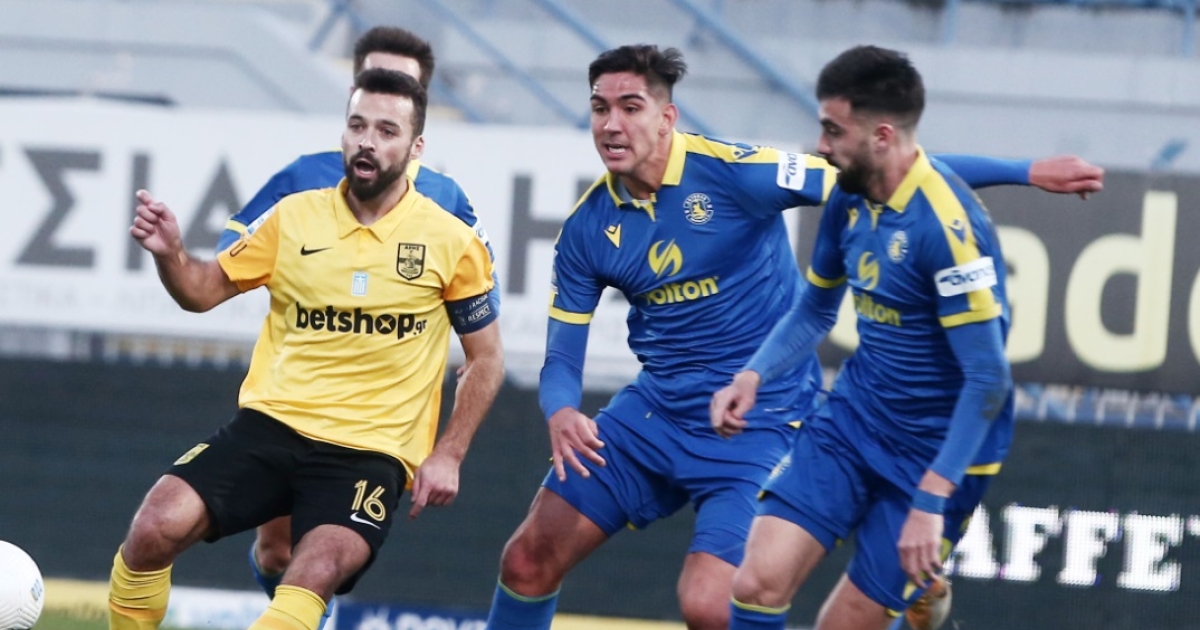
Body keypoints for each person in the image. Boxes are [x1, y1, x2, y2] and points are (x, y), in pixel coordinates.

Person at [484, 44, 1102, 630]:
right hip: (656, 414)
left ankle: (903, 580)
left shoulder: (737, 174)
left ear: (667, 118)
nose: (611, 124)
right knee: (525, 559)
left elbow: (897, 173)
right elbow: (562, 357)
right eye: (600, 108)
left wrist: (1025, 172)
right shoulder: (587, 228)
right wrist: (561, 410)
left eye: (630, 107)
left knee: (710, 607)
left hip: (762, 422)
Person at [109, 69, 504, 630]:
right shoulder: (293, 216)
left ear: (416, 148)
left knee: (312, 569)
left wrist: (450, 453)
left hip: (370, 452)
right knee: (152, 529)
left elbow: (486, 358)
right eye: (357, 126)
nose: (367, 142)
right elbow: (201, 292)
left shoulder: (451, 241)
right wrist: (171, 254)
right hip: (271, 426)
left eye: (386, 131)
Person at [710, 45, 1040, 630]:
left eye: (833, 130)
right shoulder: (849, 194)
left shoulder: (946, 229)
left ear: (882, 135)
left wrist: (930, 500)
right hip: (854, 421)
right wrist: (752, 374)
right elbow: (815, 309)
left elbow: (988, 379)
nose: (821, 145)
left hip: (936, 455)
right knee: (756, 582)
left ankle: (916, 593)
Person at [215, 26, 501, 609]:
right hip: (293, 401)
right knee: (276, 551)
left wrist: (448, 449)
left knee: (319, 559)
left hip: (377, 426)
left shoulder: (446, 201)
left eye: (402, 84)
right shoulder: (304, 178)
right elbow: (230, 258)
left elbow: (481, 321)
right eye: (373, 79)